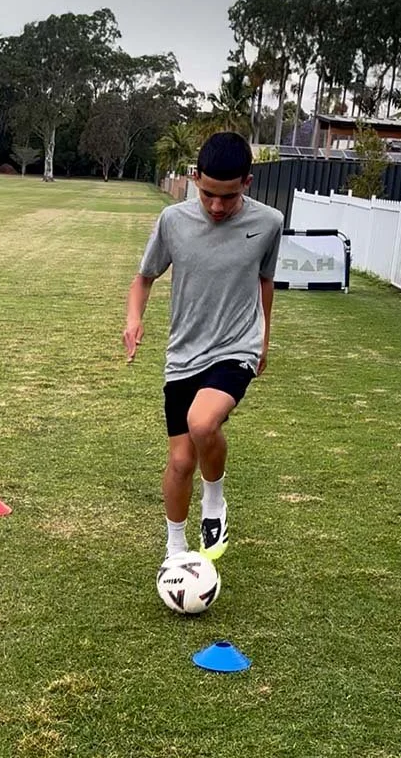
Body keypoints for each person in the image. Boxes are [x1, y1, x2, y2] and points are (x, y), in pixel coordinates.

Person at [123, 131, 283, 562]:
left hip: (236, 346)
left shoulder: (269, 222)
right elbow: (144, 278)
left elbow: (264, 282)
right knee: (179, 462)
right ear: (195, 178)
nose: (216, 206)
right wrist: (134, 319)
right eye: (209, 193)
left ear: (247, 183)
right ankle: (176, 551)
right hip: (183, 354)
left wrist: (263, 338)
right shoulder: (173, 221)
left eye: (228, 198)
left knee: (203, 422)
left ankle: (214, 501)